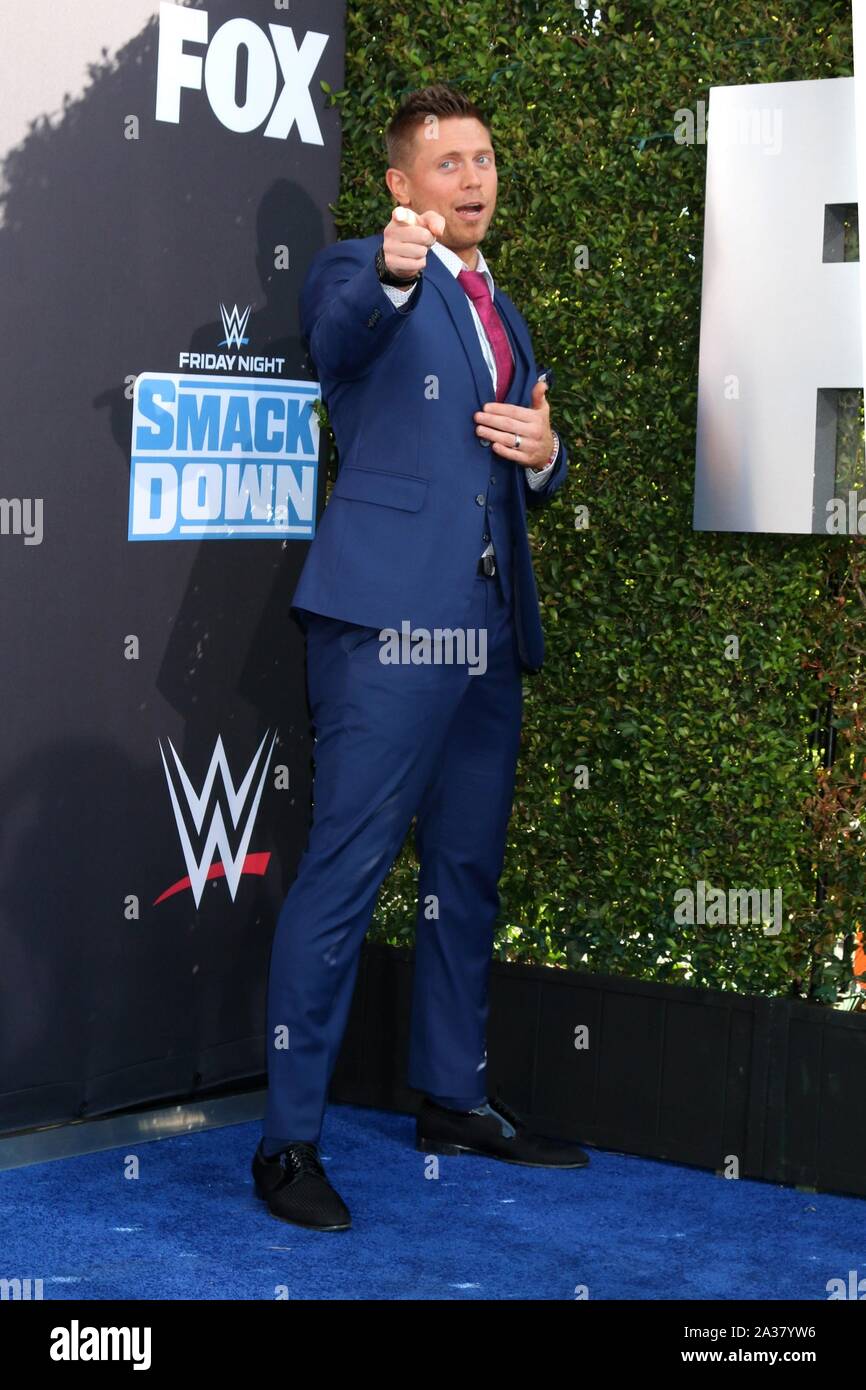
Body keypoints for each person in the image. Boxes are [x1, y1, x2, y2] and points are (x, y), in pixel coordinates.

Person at [252, 83, 589, 1232]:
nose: (473, 177)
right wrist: (397, 274)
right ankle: (288, 1140)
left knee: (464, 879)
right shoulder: (359, 271)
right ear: (400, 185)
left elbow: (516, 450)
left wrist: (543, 458)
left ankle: (451, 1097)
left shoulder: (501, 306)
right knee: (346, 873)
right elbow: (343, 337)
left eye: (483, 157)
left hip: (486, 639)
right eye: (447, 163)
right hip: (387, 628)